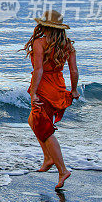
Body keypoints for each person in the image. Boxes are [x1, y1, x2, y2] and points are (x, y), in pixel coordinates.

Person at [21, 10, 79, 189]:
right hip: (58, 87)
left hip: (44, 88)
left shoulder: (40, 42)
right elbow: (74, 71)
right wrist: (74, 90)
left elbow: (38, 70)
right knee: (33, 120)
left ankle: (62, 170)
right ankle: (47, 158)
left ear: (44, 26)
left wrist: (34, 93)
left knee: (45, 129)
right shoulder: (67, 45)